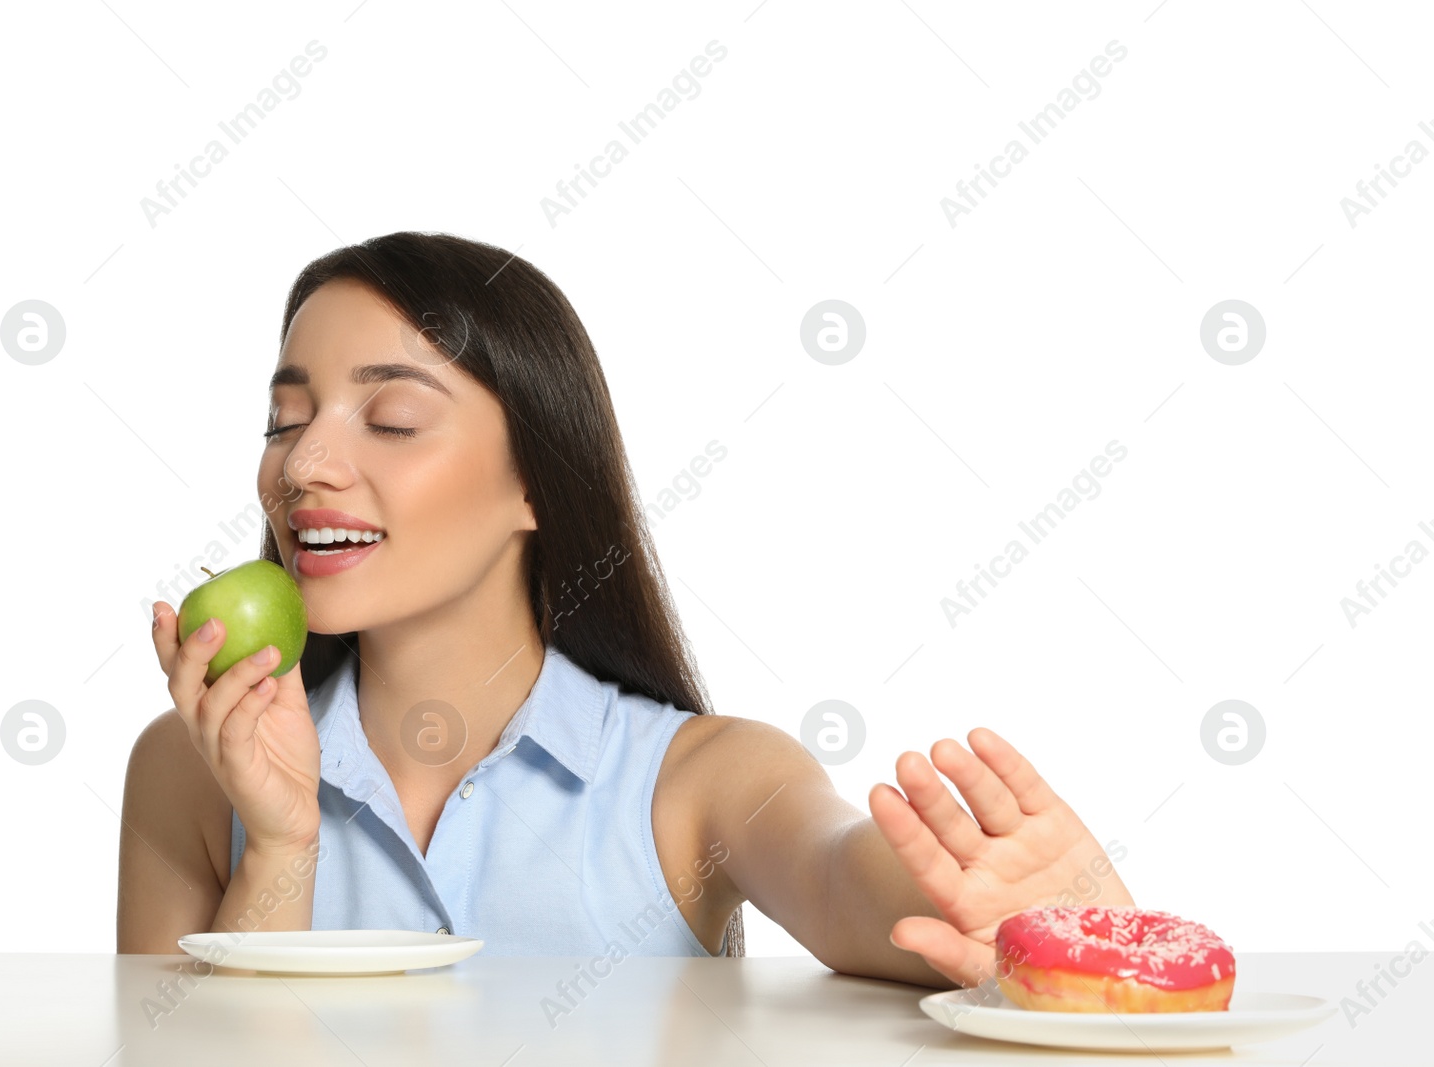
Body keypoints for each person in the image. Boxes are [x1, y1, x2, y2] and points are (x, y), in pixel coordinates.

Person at [117, 232, 1132, 987]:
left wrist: (1036, 920)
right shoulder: (188, 768)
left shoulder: (708, 779)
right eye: (284, 419)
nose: (304, 463)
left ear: (534, 483)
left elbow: (841, 876)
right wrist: (284, 847)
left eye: (392, 418)